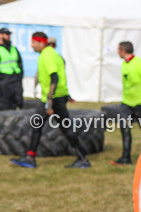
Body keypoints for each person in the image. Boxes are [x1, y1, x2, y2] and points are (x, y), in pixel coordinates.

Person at [10, 32, 90, 169]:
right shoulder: (52, 54)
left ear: (41, 43)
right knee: (49, 127)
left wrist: (49, 101)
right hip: (57, 97)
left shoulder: (47, 55)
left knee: (55, 127)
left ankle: (82, 159)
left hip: (53, 98)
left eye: (34, 42)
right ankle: (31, 156)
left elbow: (55, 77)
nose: (32, 45)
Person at [112, 41, 141, 165]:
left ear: (123, 51)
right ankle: (126, 157)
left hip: (140, 103)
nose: (117, 52)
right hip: (126, 103)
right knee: (124, 128)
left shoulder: (140, 63)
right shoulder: (123, 65)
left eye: (118, 50)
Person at [0, 27, 24, 110]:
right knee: (4, 104)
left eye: (9, 34)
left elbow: (19, 63)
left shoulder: (14, 49)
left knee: (17, 101)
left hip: (15, 79)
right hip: (3, 80)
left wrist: (19, 75)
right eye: (6, 34)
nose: (8, 36)